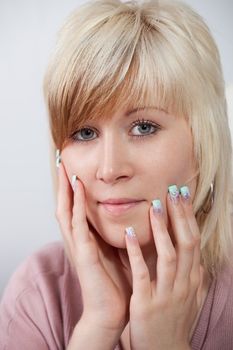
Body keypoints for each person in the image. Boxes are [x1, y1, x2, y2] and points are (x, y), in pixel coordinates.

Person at [1, 0, 233, 349]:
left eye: (143, 127)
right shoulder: (37, 293)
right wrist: (98, 325)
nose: (109, 170)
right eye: (84, 133)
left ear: (203, 143)